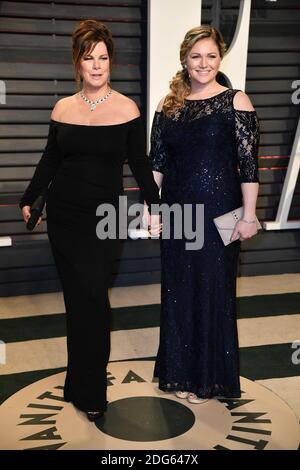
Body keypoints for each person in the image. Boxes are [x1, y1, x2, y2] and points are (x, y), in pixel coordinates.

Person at [20, 19, 160, 421]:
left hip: (106, 217)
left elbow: (139, 163)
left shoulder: (128, 108)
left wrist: (156, 205)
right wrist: (31, 197)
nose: (96, 66)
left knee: (95, 299)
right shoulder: (63, 107)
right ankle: (77, 383)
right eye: (88, 58)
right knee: (76, 303)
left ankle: (92, 391)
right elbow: (51, 158)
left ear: (110, 62)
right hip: (64, 216)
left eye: (102, 58)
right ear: (77, 64)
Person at [148, 25, 260, 403]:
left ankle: (209, 380)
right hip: (178, 213)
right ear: (184, 59)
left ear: (220, 59)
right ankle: (179, 373)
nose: (204, 63)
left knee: (214, 292)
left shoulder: (236, 101)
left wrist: (249, 215)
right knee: (179, 292)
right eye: (196, 56)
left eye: (211, 56)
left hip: (221, 214)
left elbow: (249, 166)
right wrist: (152, 209)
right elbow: (157, 165)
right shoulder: (168, 106)